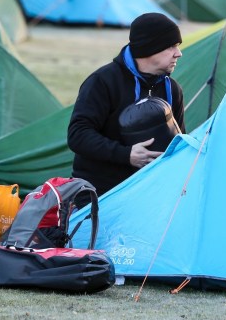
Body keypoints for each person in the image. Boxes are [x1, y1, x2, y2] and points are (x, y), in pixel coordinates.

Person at [67, 12, 185, 196]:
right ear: (150, 48)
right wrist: (126, 154)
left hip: (149, 192)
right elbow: (78, 135)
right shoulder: (103, 82)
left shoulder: (172, 89)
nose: (178, 53)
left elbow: (179, 141)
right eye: (171, 46)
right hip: (99, 192)